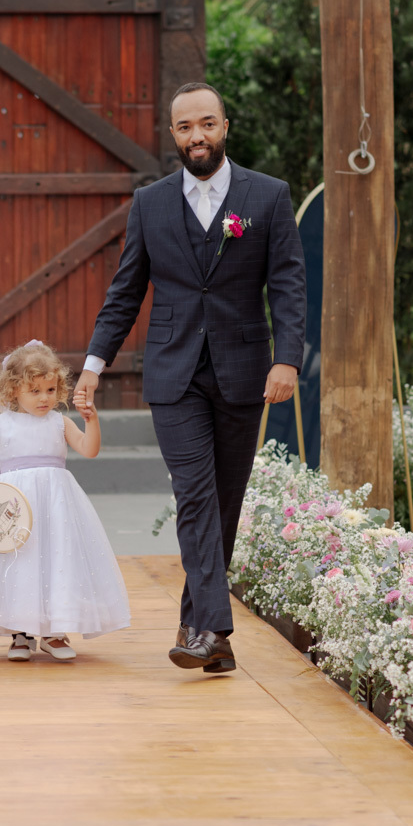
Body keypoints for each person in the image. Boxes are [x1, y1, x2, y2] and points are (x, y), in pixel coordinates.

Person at [75, 83, 306, 674]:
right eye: (184, 127)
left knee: (224, 504)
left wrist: (288, 358)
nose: (196, 136)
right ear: (172, 133)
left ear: (225, 126)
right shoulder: (149, 203)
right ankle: (214, 626)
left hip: (246, 371)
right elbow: (125, 292)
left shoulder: (269, 196)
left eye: (206, 124)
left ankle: (200, 629)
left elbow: (286, 282)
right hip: (173, 373)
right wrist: (93, 366)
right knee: (195, 495)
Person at [0, 340, 130, 661]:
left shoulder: (60, 422)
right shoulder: (3, 426)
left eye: (51, 390)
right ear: (13, 391)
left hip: (56, 509)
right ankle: (20, 632)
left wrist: (91, 420)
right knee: (19, 564)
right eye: (35, 391)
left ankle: (55, 631)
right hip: (15, 510)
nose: (45, 398)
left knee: (57, 561)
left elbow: (89, 449)